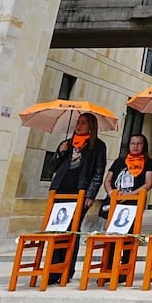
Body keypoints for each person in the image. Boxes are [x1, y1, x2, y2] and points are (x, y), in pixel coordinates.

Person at [48, 112, 108, 281]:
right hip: (60, 190)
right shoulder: (66, 144)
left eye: (83, 123)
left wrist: (90, 194)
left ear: (91, 127)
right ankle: (53, 269)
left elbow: (98, 171)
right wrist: (60, 153)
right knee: (56, 229)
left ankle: (67, 269)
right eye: (78, 122)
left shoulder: (97, 146)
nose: (79, 125)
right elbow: (51, 168)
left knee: (72, 230)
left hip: (80, 193)